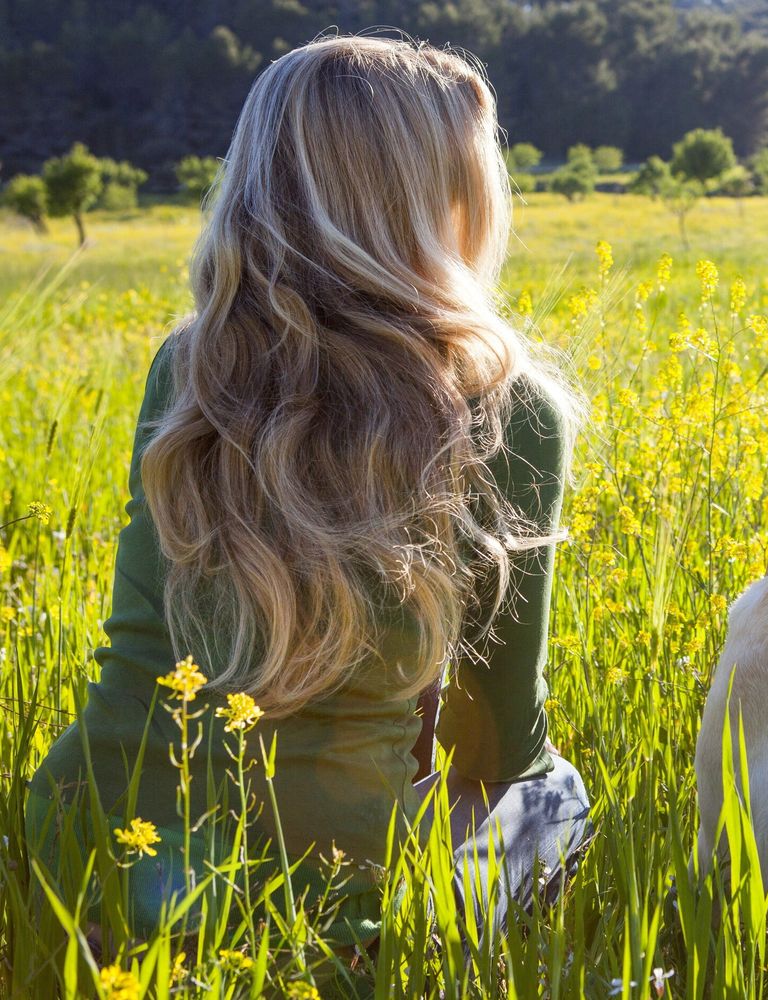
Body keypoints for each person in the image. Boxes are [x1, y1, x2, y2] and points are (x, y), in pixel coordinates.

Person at [22, 32, 592, 950]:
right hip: (322, 900)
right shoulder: (503, 406)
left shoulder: (192, 366)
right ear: (434, 198)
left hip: (81, 839)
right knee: (553, 796)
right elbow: (497, 746)